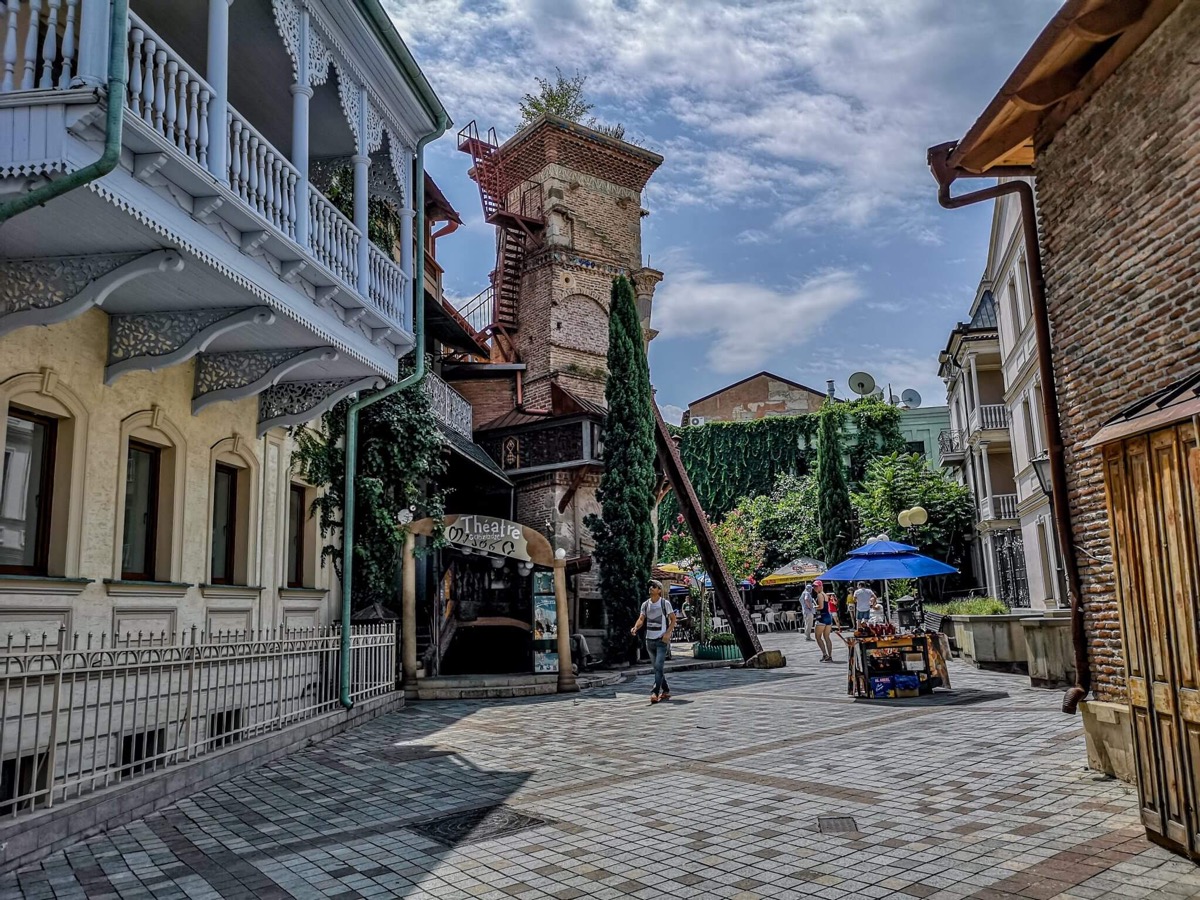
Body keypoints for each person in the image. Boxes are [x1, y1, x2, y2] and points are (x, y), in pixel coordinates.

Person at [631, 579, 676, 703]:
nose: (651, 587)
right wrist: (636, 627)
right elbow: (641, 619)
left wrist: (667, 633)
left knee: (658, 666)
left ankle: (655, 692)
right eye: (650, 586)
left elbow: (673, 619)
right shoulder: (645, 604)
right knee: (657, 668)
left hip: (661, 640)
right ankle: (666, 690)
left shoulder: (664, 603)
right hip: (649, 640)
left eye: (654, 586)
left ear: (659, 590)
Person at [813, 580, 835, 662]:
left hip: (822, 617)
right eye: (814, 586)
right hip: (828, 616)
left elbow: (821, 607)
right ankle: (830, 656)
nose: (815, 588)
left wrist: (814, 607)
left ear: (820, 586)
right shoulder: (825, 595)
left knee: (818, 637)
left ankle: (825, 654)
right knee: (827, 637)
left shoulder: (819, 595)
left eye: (816, 586)